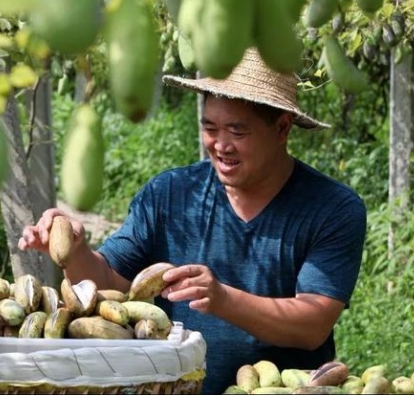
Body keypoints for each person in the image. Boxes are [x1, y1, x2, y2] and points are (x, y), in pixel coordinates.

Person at [18, 48, 367, 394]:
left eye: (237, 131)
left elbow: (311, 325)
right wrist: (75, 252)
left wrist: (222, 299)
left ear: (281, 129)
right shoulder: (170, 194)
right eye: (210, 128)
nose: (220, 145)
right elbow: (106, 281)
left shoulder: (332, 208)